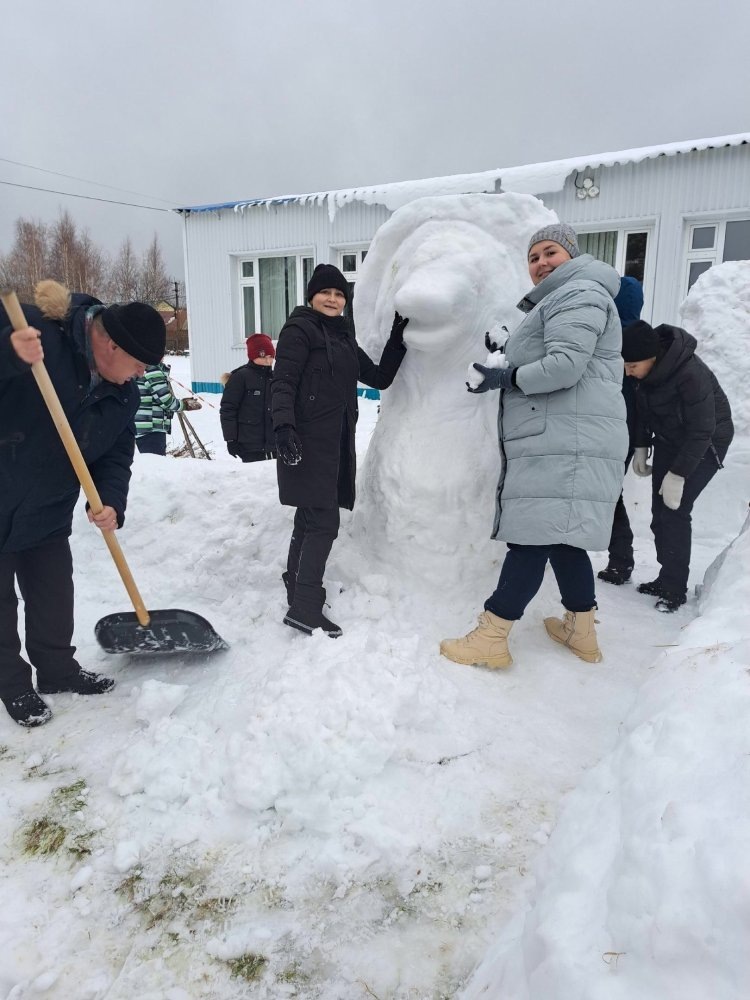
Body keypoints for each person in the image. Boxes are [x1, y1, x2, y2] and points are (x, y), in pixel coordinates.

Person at [440, 223, 627, 668]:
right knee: (562, 540)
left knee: (531, 539)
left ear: (571, 256)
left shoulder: (577, 293)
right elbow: (560, 348)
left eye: (550, 253)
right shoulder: (568, 297)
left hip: (565, 439)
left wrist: (507, 377)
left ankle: (492, 634)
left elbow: (564, 366)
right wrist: (511, 349)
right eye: (534, 257)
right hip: (567, 436)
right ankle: (581, 632)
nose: (541, 263)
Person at [0, 280, 166, 728]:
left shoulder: (123, 393)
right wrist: (8, 356)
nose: (139, 376)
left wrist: (112, 501)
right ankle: (12, 685)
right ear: (109, 343)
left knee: (54, 595)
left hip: (47, 508)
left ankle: (57, 671)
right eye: (137, 364)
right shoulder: (34, 333)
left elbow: (116, 453)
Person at [271, 263, 408, 637]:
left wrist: (398, 337)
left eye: (338, 294)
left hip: (336, 440)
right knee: (324, 522)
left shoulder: (343, 337)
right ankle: (305, 606)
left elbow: (379, 377)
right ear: (311, 297)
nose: (332, 299)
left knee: (310, 516)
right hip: (306, 440)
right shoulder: (300, 330)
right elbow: (282, 381)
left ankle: (295, 580)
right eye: (325, 293)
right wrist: (283, 427)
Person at [622, 320, 733, 612]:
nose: (628, 372)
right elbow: (643, 410)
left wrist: (678, 474)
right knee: (659, 512)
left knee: (674, 510)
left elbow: (702, 429)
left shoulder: (689, 374)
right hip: (672, 437)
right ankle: (666, 577)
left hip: (706, 441)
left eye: (632, 365)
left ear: (652, 357)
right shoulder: (645, 372)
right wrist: (642, 445)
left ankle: (674, 590)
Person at [598, 275, 644, 584]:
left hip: (610, 430)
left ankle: (621, 560)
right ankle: (620, 559)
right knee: (610, 493)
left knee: (607, 494)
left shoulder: (615, 340)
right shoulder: (640, 337)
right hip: (623, 431)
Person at [220, 334, 277, 462]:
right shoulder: (240, 377)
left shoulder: (276, 377)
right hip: (249, 445)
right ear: (252, 356)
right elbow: (228, 410)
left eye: (271, 357)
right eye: (263, 357)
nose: (268, 361)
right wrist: (231, 439)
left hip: (275, 444)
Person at [135, 361, 201, 456]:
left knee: (151, 465)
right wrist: (185, 405)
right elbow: (165, 400)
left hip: (143, 426)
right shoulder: (152, 368)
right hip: (151, 428)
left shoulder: (144, 366)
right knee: (156, 466)